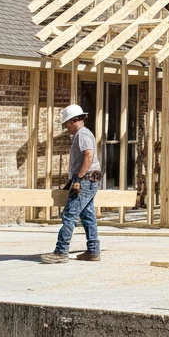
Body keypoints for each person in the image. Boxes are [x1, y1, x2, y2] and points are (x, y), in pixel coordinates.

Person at [39, 104, 101, 263]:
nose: (66, 127)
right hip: (89, 179)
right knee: (87, 215)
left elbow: (88, 156)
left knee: (69, 214)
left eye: (67, 123)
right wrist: (72, 181)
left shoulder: (83, 134)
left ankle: (61, 252)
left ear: (74, 120)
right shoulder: (83, 134)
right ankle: (93, 251)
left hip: (86, 179)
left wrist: (78, 179)